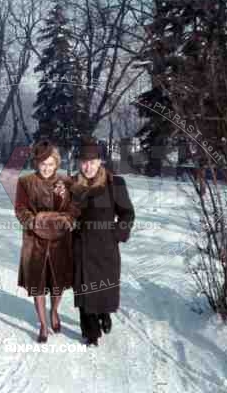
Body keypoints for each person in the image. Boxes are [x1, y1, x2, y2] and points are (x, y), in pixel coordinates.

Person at [70, 137, 135, 346]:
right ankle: (91, 333)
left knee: (103, 291)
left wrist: (116, 234)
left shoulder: (114, 184)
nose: (87, 166)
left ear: (100, 161)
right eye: (83, 161)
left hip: (105, 248)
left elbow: (127, 214)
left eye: (91, 161)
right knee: (83, 289)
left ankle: (105, 313)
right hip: (80, 247)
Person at [15, 140, 78, 343]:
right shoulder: (25, 182)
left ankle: (55, 312)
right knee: (39, 284)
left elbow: (73, 209)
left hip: (60, 240)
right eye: (43, 163)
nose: (47, 168)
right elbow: (20, 209)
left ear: (57, 163)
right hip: (35, 241)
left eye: (51, 164)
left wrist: (67, 220)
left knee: (57, 283)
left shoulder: (66, 182)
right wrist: (34, 221)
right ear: (36, 163)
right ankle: (43, 324)